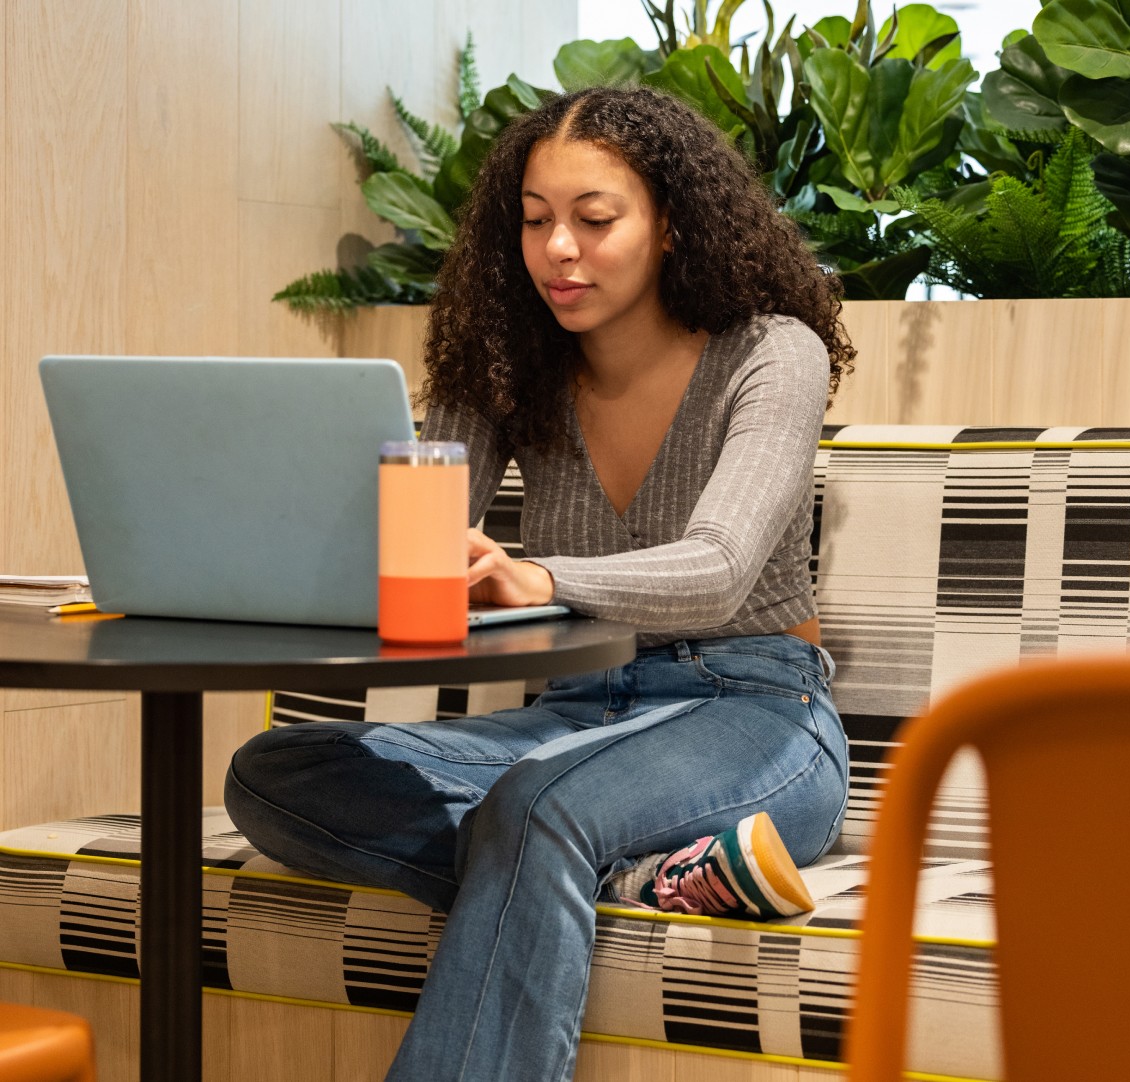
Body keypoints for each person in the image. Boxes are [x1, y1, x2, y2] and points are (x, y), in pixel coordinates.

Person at [224, 85, 854, 1082]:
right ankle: (645, 874)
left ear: (672, 226)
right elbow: (422, 535)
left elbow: (718, 568)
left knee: (537, 810)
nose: (560, 247)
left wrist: (540, 571)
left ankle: (573, 851)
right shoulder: (505, 364)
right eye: (534, 221)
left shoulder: (771, 352)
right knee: (276, 774)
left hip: (757, 711)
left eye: (595, 220)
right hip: (570, 718)